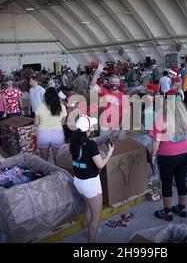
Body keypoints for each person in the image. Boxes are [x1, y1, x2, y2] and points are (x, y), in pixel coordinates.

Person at [70, 115, 114, 243]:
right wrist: (109, 153)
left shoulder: (73, 142)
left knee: (89, 207)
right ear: (88, 129)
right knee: (96, 216)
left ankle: (91, 230)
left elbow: (85, 158)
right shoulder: (91, 144)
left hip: (78, 181)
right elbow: (100, 164)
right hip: (90, 184)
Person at [150, 99, 187, 221]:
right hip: (186, 153)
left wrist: (153, 155)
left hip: (168, 155)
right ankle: (181, 208)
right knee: (181, 180)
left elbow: (156, 140)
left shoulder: (161, 118)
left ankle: (167, 212)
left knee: (167, 183)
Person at [91, 63, 126, 139]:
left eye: (116, 82)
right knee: (103, 143)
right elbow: (92, 85)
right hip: (105, 124)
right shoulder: (104, 91)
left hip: (119, 126)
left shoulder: (123, 96)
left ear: (119, 83)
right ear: (109, 83)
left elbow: (125, 115)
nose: (114, 84)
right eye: (112, 82)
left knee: (120, 146)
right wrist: (97, 72)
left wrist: (117, 128)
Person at [34, 87, 67, 164]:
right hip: (57, 134)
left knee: (44, 158)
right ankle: (57, 173)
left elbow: (36, 123)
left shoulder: (40, 106)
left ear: (45, 96)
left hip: (43, 134)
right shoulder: (62, 107)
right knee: (57, 158)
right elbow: (62, 123)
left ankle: (46, 173)